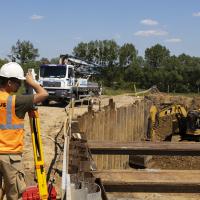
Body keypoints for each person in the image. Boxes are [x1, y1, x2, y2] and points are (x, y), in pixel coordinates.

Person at [0, 62, 49, 199]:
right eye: (18, 82)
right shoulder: (17, 101)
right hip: (10, 155)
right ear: (9, 82)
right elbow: (44, 94)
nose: (20, 85)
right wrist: (32, 82)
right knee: (14, 193)